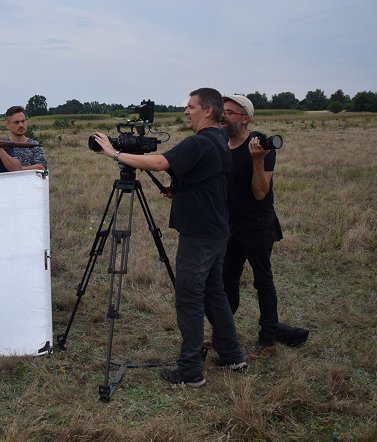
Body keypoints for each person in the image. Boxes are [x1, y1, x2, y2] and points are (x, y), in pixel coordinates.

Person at [92, 88, 246, 388]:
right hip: (216, 230)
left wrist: (116, 154)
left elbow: (161, 163)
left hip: (199, 235)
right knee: (214, 294)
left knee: (189, 300)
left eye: (191, 106)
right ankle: (232, 355)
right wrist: (181, 189)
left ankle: (190, 372)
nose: (186, 111)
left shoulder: (199, 142)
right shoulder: (219, 141)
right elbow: (207, 176)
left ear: (208, 111)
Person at [220, 95, 308, 359]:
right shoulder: (222, 146)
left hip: (257, 226)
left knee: (263, 282)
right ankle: (224, 335)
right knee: (226, 281)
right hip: (229, 226)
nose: (223, 116)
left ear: (245, 118)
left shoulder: (260, 145)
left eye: (229, 113)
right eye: (221, 111)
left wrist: (257, 160)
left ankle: (268, 341)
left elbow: (260, 193)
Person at [4, 105, 47, 170]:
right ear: (7, 125)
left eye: (23, 121)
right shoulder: (3, 146)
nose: (21, 125)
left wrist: (18, 169)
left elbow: (41, 167)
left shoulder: (34, 145)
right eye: (16, 122)